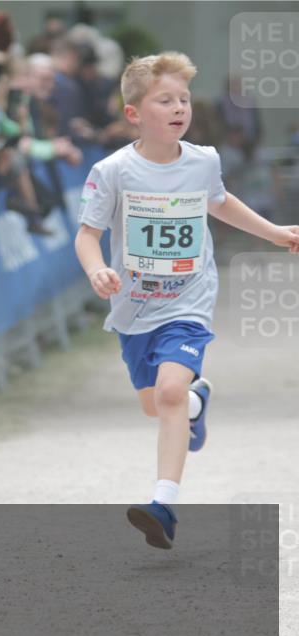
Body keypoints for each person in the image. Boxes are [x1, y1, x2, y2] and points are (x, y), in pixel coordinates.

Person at [74, 52, 299, 549]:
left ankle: (163, 504)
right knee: (158, 404)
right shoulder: (113, 171)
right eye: (165, 101)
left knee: (169, 393)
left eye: (184, 100)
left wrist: (274, 233)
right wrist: (99, 270)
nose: (179, 109)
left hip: (188, 300)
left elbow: (219, 202)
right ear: (134, 113)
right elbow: (87, 235)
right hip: (134, 310)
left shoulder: (204, 161)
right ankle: (198, 403)